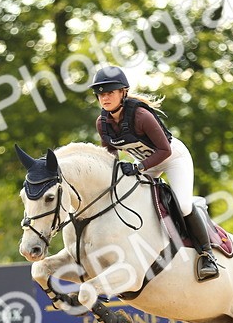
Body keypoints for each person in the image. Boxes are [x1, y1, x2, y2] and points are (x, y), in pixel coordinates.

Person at [90, 65, 220, 282]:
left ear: (123, 92)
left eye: (110, 92)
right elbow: (110, 156)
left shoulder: (141, 116)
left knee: (183, 206)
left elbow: (164, 150)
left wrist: (139, 167)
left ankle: (207, 255)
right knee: (127, 199)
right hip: (146, 163)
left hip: (173, 158)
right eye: (100, 94)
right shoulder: (102, 124)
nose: (105, 98)